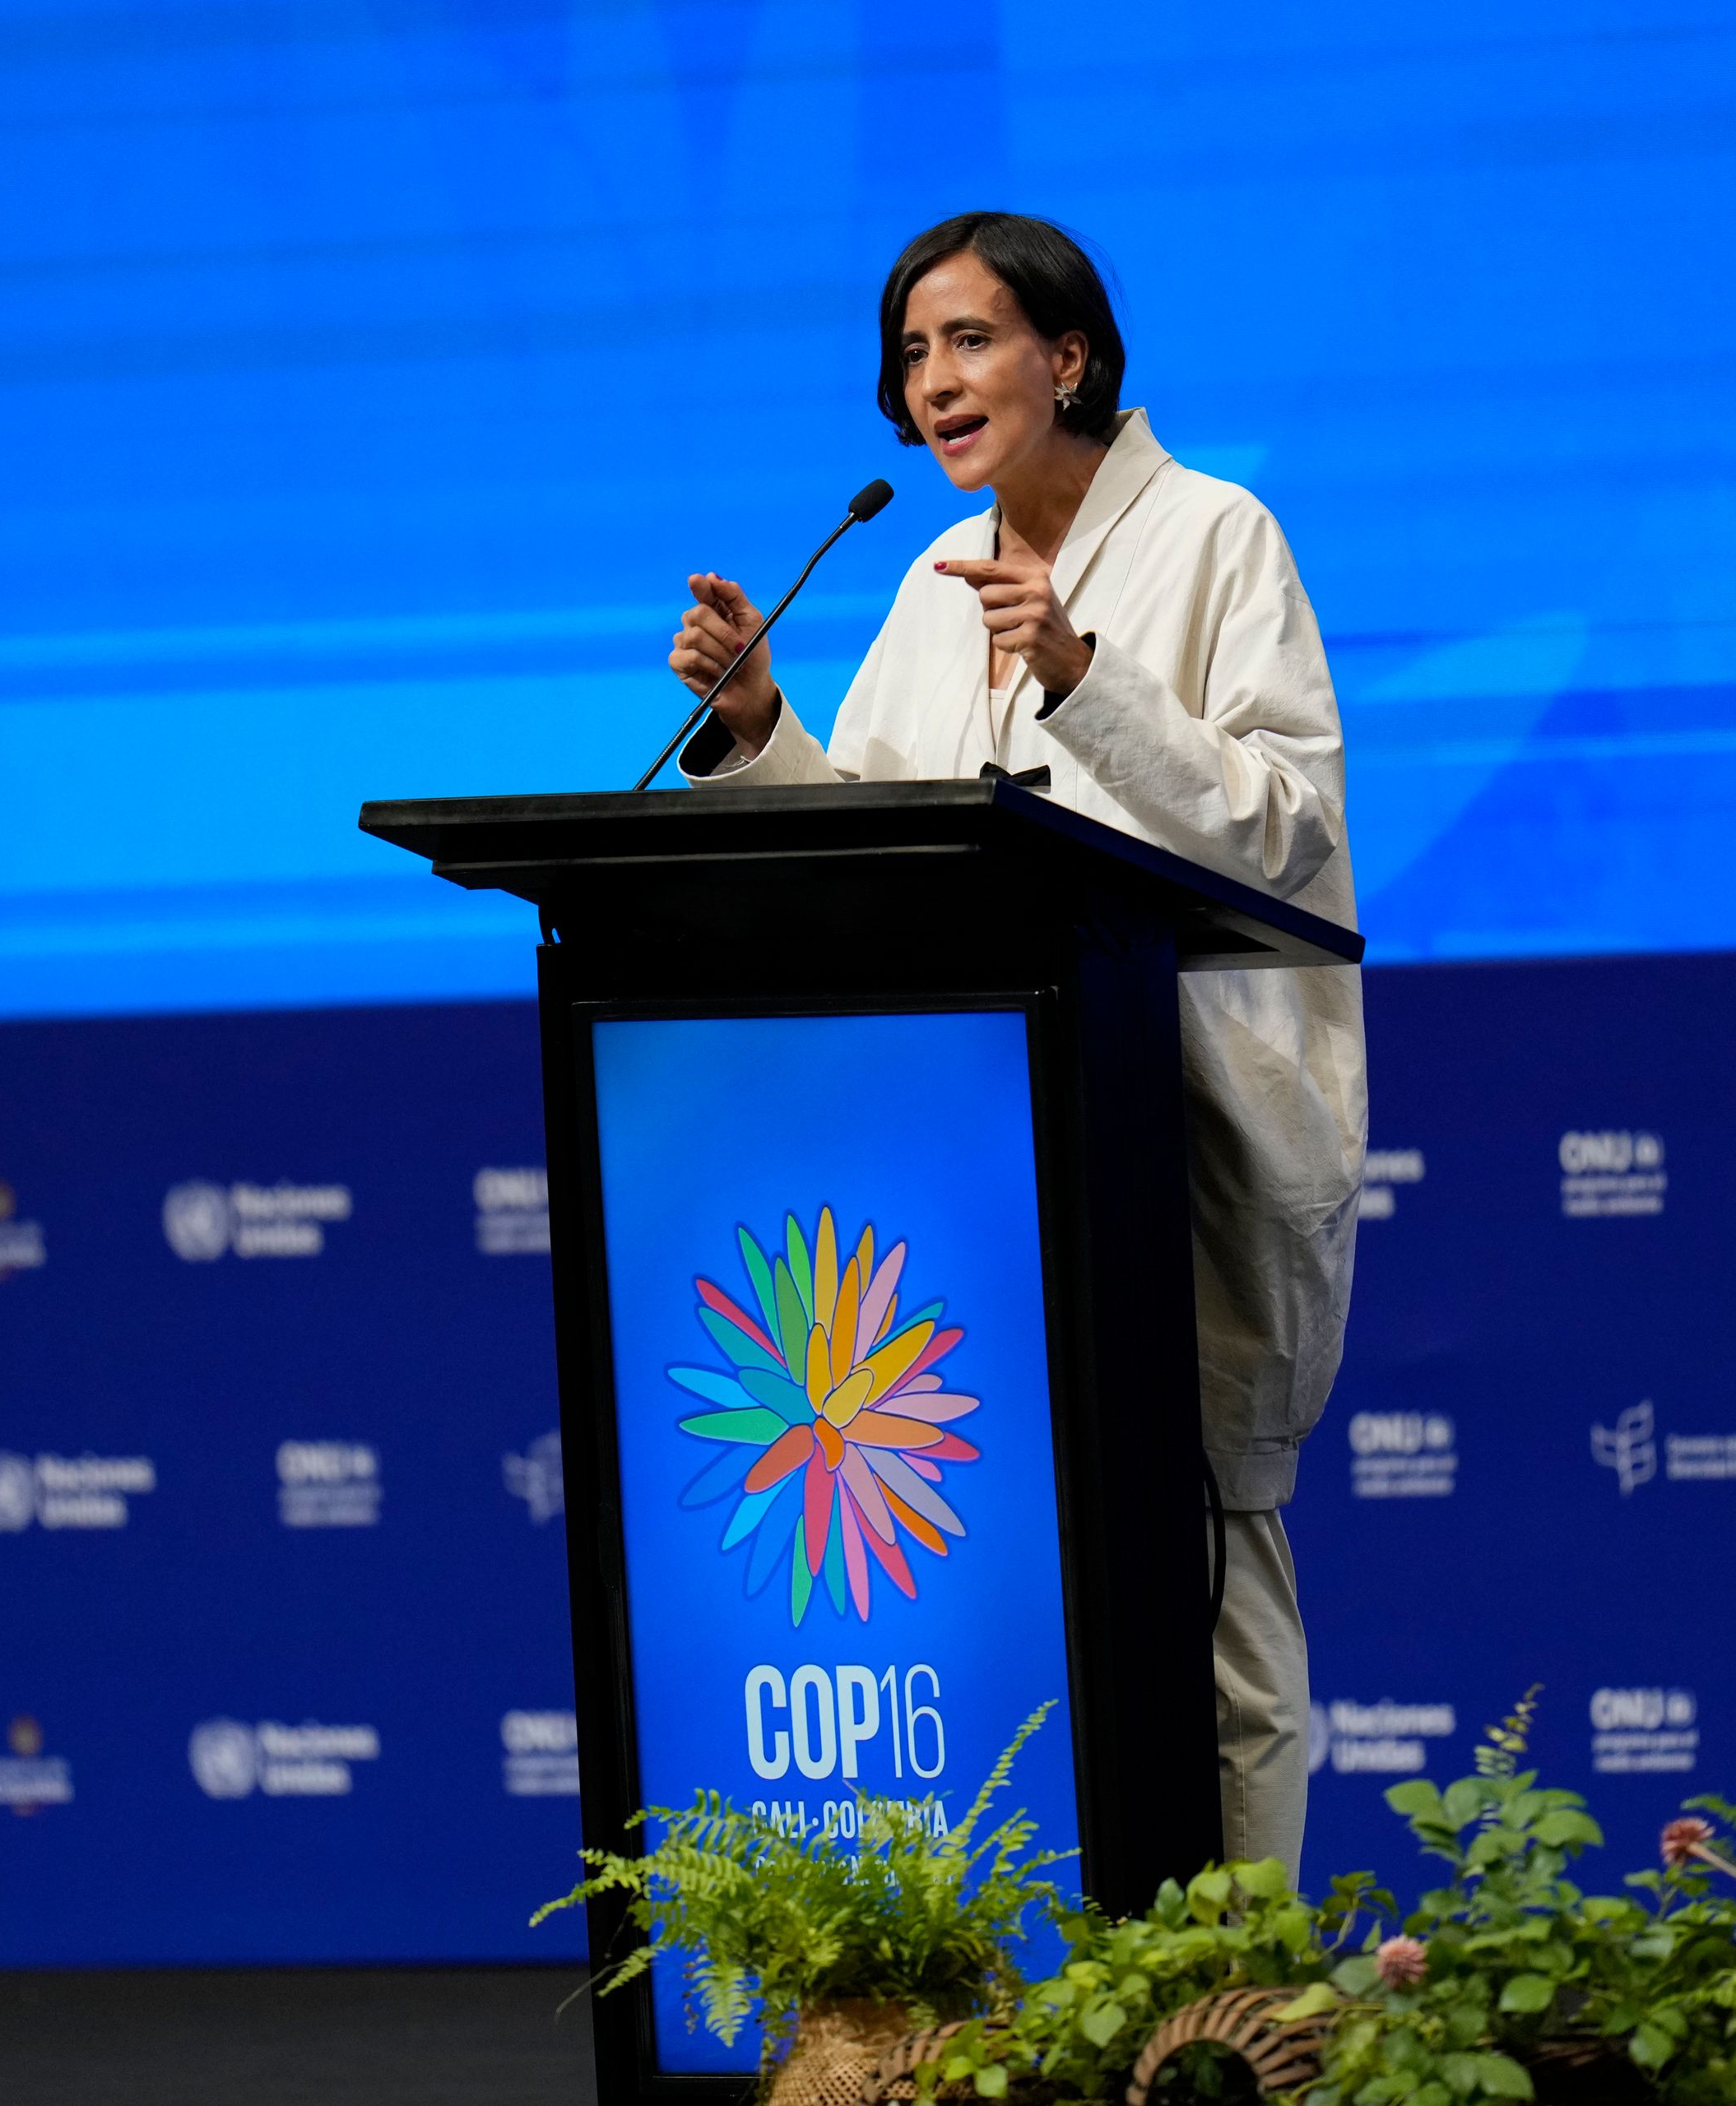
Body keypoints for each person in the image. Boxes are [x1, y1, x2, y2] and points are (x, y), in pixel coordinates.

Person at [666, 210, 1366, 1879]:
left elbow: (1284, 827)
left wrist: (1079, 672)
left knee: (1212, 1583)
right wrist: (763, 731)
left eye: (969, 339)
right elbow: (888, 849)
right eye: (914, 353)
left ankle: (1245, 1986)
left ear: (1071, 355)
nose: (936, 378)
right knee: (1023, 1586)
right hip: (985, 1155)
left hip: (1186, 1137)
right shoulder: (922, 580)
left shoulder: (1216, 538)